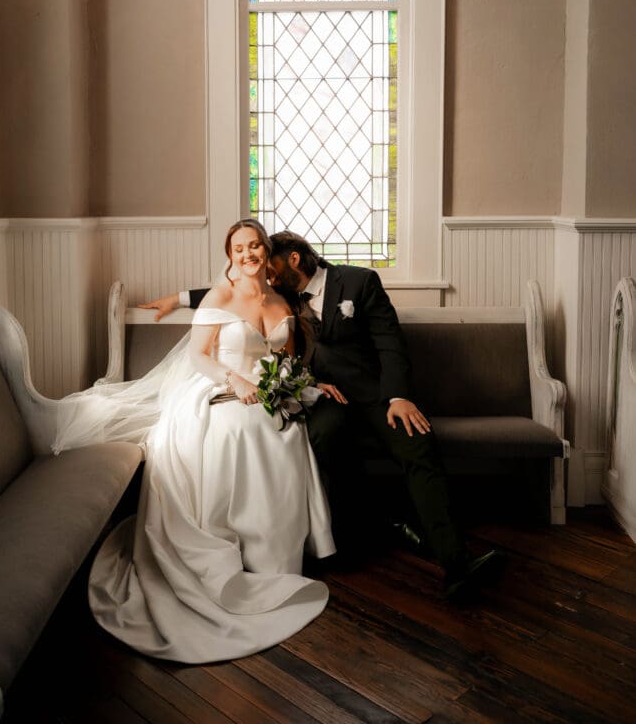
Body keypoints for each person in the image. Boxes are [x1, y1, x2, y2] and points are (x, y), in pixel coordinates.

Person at [147, 230, 502, 598]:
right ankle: (353, 537)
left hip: (376, 397)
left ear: (293, 260)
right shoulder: (279, 293)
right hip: (322, 395)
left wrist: (398, 396)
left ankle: (456, 563)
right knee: (317, 438)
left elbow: (390, 343)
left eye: (271, 265)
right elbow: (229, 295)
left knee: (417, 442)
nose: (265, 273)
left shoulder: (359, 281)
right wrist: (176, 299)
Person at [53, 220, 335, 663]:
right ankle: (229, 546)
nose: (248, 254)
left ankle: (274, 557)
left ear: (267, 251)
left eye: (255, 246)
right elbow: (198, 356)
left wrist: (295, 383)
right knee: (241, 430)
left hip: (268, 394)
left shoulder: (283, 301)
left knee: (284, 429)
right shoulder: (220, 297)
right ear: (230, 255)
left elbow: (288, 358)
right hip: (218, 388)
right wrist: (234, 378)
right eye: (238, 248)